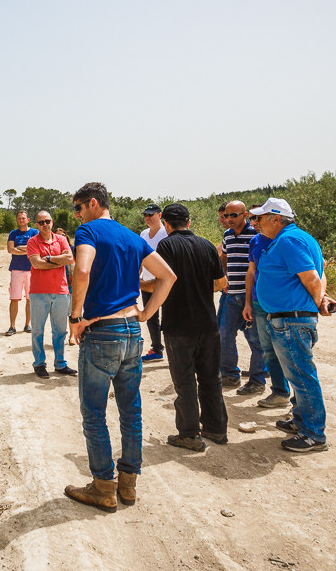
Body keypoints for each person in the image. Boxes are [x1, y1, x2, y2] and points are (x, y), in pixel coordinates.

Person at [65, 183, 176, 511]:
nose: (77, 215)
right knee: (131, 411)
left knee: (94, 413)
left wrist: (75, 317)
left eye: (78, 208)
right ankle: (128, 485)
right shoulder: (132, 237)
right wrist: (146, 314)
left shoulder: (88, 232)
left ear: (93, 203)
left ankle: (103, 486)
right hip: (132, 331)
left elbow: (82, 270)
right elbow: (168, 277)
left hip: (102, 331)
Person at [248, 197, 333, 453]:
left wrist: (317, 302)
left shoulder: (289, 240)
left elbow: (312, 277)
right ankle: (301, 421)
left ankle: (314, 434)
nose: (257, 222)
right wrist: (320, 299)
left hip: (291, 320)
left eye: (261, 217)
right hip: (289, 318)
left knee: (302, 377)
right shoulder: (293, 238)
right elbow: (320, 272)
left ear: (276, 218)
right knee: (296, 375)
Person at [156, 203, 228, 452]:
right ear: (188, 222)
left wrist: (139, 286)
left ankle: (188, 434)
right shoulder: (207, 245)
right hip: (208, 324)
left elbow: (162, 281)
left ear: (166, 224)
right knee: (211, 377)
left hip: (178, 325)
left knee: (184, 381)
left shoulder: (166, 246)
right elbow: (221, 283)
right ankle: (216, 428)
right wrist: (201, 288)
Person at [243, 211, 293, 409]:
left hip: (284, 305)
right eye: (254, 218)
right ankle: (280, 392)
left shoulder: (285, 240)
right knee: (268, 350)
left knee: (288, 352)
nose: (255, 222)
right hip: (259, 304)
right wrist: (248, 302)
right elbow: (251, 273)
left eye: (259, 218)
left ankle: (300, 403)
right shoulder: (255, 242)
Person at [218, 200, 266, 394]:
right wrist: (224, 277)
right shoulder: (227, 235)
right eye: (226, 215)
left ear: (245, 215)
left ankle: (257, 381)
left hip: (251, 296)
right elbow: (224, 257)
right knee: (224, 335)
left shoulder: (256, 234)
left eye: (233, 215)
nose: (229, 219)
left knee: (255, 340)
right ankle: (230, 375)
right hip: (232, 295)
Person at [26, 211, 74, 378]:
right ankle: (39, 364)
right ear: (36, 225)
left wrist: (46, 258)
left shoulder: (61, 239)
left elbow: (69, 258)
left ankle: (60, 364)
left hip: (61, 291)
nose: (45, 224)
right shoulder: (32, 241)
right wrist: (57, 261)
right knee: (37, 331)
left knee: (60, 331)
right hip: (39, 292)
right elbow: (36, 264)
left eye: (47, 221)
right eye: (41, 222)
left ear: (52, 222)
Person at [138, 203, 167, 362]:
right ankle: (157, 349)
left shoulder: (166, 233)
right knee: (151, 316)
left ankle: (173, 349)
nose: (147, 218)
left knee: (169, 317)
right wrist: (138, 274)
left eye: (151, 214)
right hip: (148, 283)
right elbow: (141, 256)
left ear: (160, 215)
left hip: (164, 282)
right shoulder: (143, 234)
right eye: (145, 215)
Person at [5, 211, 37, 335]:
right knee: (14, 298)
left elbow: (36, 248)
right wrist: (28, 249)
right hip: (16, 269)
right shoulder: (13, 234)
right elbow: (10, 249)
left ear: (28, 219)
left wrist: (19, 248)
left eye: (23, 218)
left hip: (31, 270)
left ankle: (27, 325)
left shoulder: (34, 233)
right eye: (19, 218)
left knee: (30, 299)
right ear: (17, 220)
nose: (21, 220)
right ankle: (12, 326)